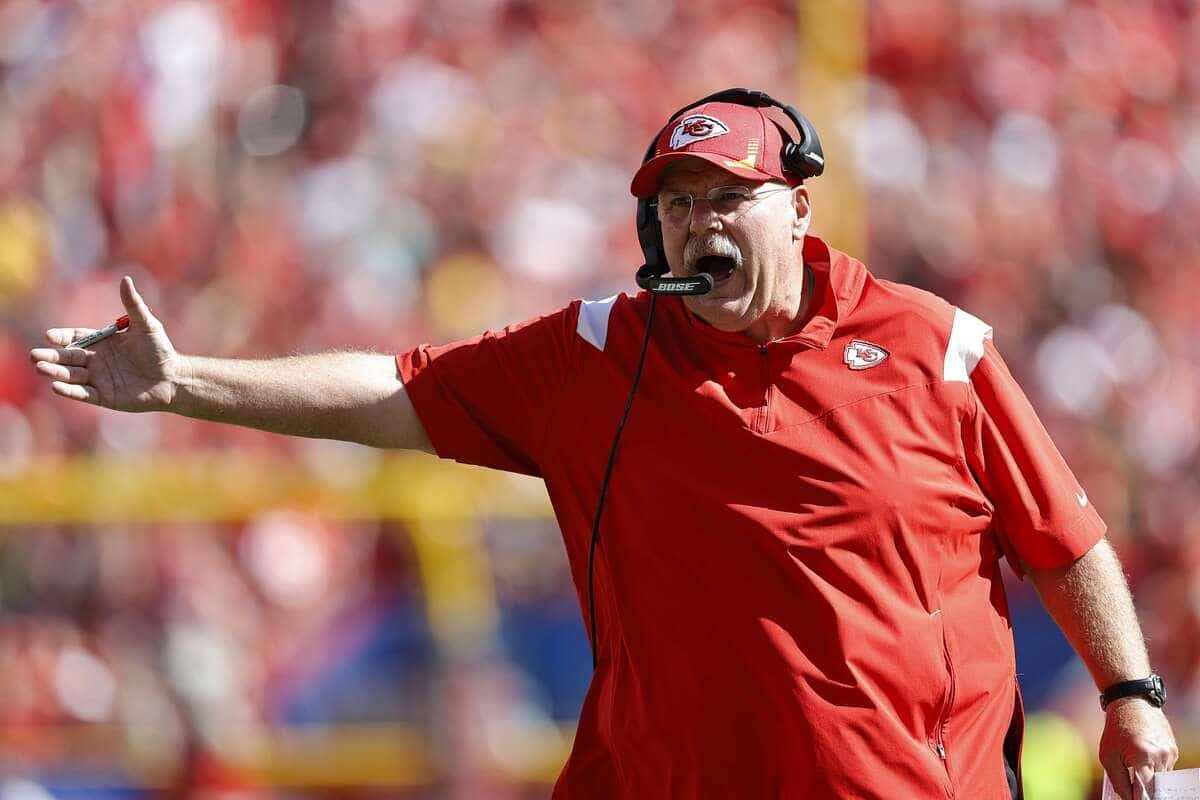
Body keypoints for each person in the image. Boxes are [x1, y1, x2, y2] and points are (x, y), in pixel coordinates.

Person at [30, 91, 1177, 799]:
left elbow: (1064, 539)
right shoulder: (599, 356)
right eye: (676, 204)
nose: (696, 222)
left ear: (797, 209)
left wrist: (1128, 689)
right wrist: (188, 383)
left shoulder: (935, 345)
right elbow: (394, 386)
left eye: (725, 197)